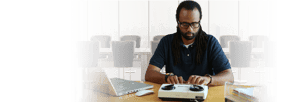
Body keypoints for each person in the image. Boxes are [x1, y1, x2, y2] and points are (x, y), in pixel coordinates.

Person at [145, 1, 233, 86]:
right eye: (184, 24)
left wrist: (208, 79)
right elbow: (149, 74)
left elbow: (229, 76)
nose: (190, 29)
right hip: (175, 93)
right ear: (178, 22)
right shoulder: (166, 42)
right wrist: (167, 78)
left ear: (200, 22)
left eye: (194, 24)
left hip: (204, 93)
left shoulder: (211, 42)